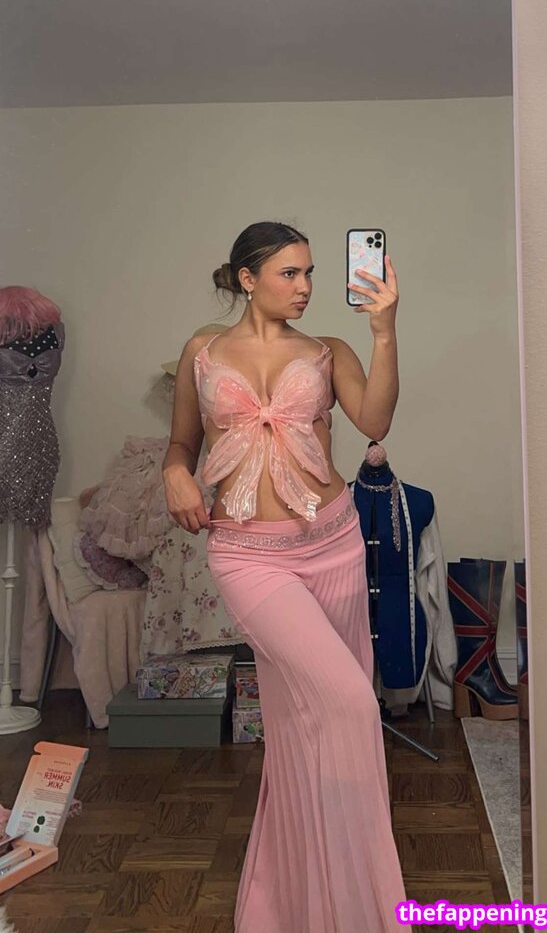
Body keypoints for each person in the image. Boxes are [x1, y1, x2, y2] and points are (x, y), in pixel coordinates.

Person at [162, 221, 409, 933]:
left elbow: (375, 420)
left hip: (333, 545)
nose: (305, 287)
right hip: (248, 555)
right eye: (289, 274)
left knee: (307, 727)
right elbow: (181, 441)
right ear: (247, 278)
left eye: (309, 273)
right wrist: (175, 472)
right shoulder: (204, 351)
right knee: (350, 704)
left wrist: (383, 330)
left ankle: (304, 907)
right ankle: (351, 904)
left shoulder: (326, 351)